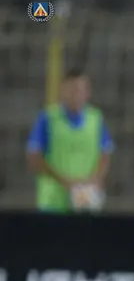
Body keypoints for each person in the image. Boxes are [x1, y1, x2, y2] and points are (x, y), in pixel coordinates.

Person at [26, 68, 114, 213]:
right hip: (53, 204)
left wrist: (95, 179)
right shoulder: (48, 119)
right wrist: (64, 181)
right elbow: (34, 158)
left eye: (80, 90)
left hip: (85, 203)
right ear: (63, 92)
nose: (76, 95)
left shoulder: (96, 119)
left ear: (87, 92)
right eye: (71, 90)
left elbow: (105, 154)